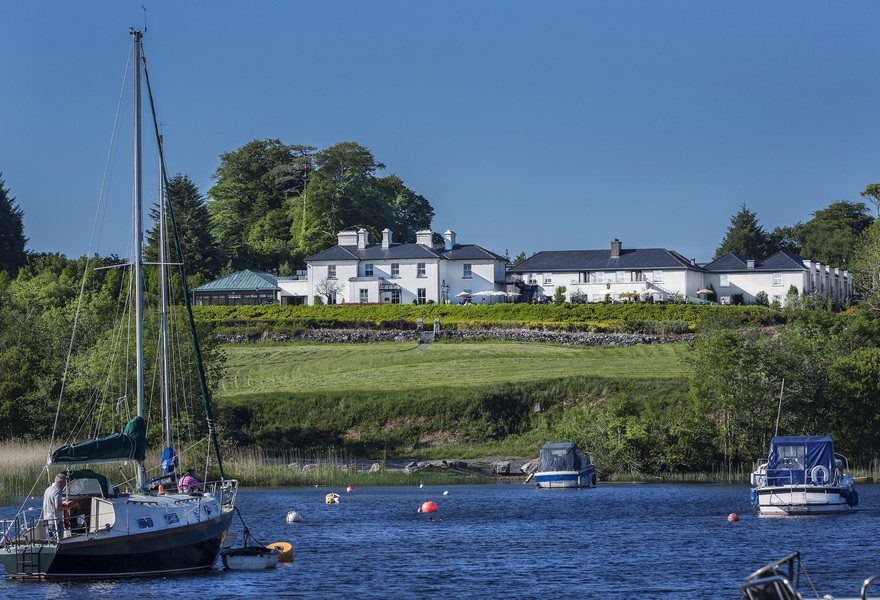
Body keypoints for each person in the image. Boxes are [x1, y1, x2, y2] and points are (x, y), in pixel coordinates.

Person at [42, 473, 75, 541]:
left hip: (47, 520)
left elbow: (51, 503)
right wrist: (67, 508)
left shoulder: (47, 490)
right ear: (59, 482)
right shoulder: (57, 491)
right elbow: (57, 506)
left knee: (50, 541)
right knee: (58, 541)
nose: (65, 485)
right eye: (64, 483)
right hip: (55, 521)